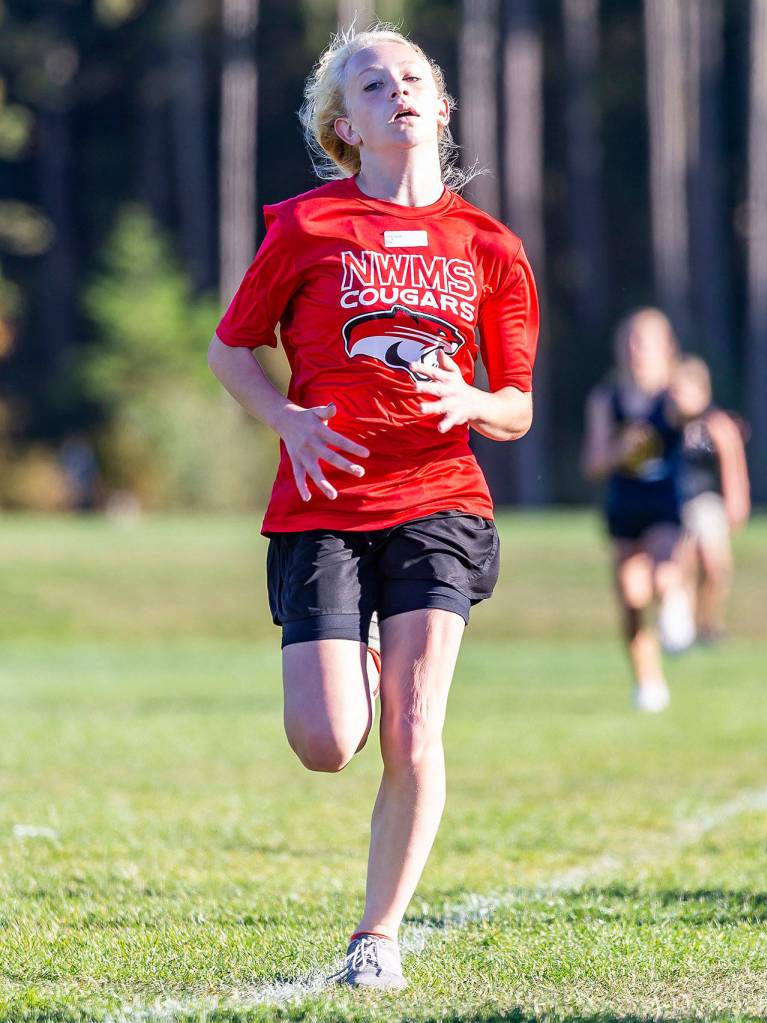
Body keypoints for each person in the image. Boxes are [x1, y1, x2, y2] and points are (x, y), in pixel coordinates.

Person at [207, 26, 539, 989]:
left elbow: (516, 404)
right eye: (369, 81)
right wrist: (286, 420)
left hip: (441, 500)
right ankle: (348, 652)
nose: (394, 89)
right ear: (343, 125)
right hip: (320, 500)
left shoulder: (492, 248)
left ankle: (376, 938)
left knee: (412, 727)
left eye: (411, 77)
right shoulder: (307, 227)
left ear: (440, 107)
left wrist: (473, 402)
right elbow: (232, 346)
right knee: (325, 740)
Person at [582, 307, 694, 713]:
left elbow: (696, 409)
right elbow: (593, 463)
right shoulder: (606, 397)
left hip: (665, 501)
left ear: (666, 347)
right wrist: (619, 449)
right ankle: (648, 682)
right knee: (631, 596)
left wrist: (688, 398)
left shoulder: (674, 393)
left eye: (645, 341)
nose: (636, 349)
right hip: (623, 506)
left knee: (663, 572)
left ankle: (677, 601)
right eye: (630, 340)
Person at [669, 356, 750, 643]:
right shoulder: (668, 425)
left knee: (715, 566)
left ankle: (709, 622)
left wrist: (737, 501)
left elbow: (733, 463)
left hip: (707, 500)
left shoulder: (716, 424)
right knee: (682, 563)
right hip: (675, 501)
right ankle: (686, 626)